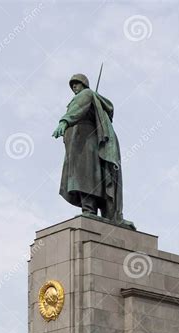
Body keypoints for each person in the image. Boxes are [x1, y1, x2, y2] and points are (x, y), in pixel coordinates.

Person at [52, 74, 133, 228]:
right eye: (72, 85)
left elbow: (77, 109)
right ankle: (92, 211)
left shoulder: (86, 94)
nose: (74, 87)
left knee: (86, 176)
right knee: (88, 177)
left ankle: (90, 210)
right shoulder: (84, 97)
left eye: (77, 83)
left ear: (84, 85)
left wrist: (64, 122)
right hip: (80, 143)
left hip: (86, 142)